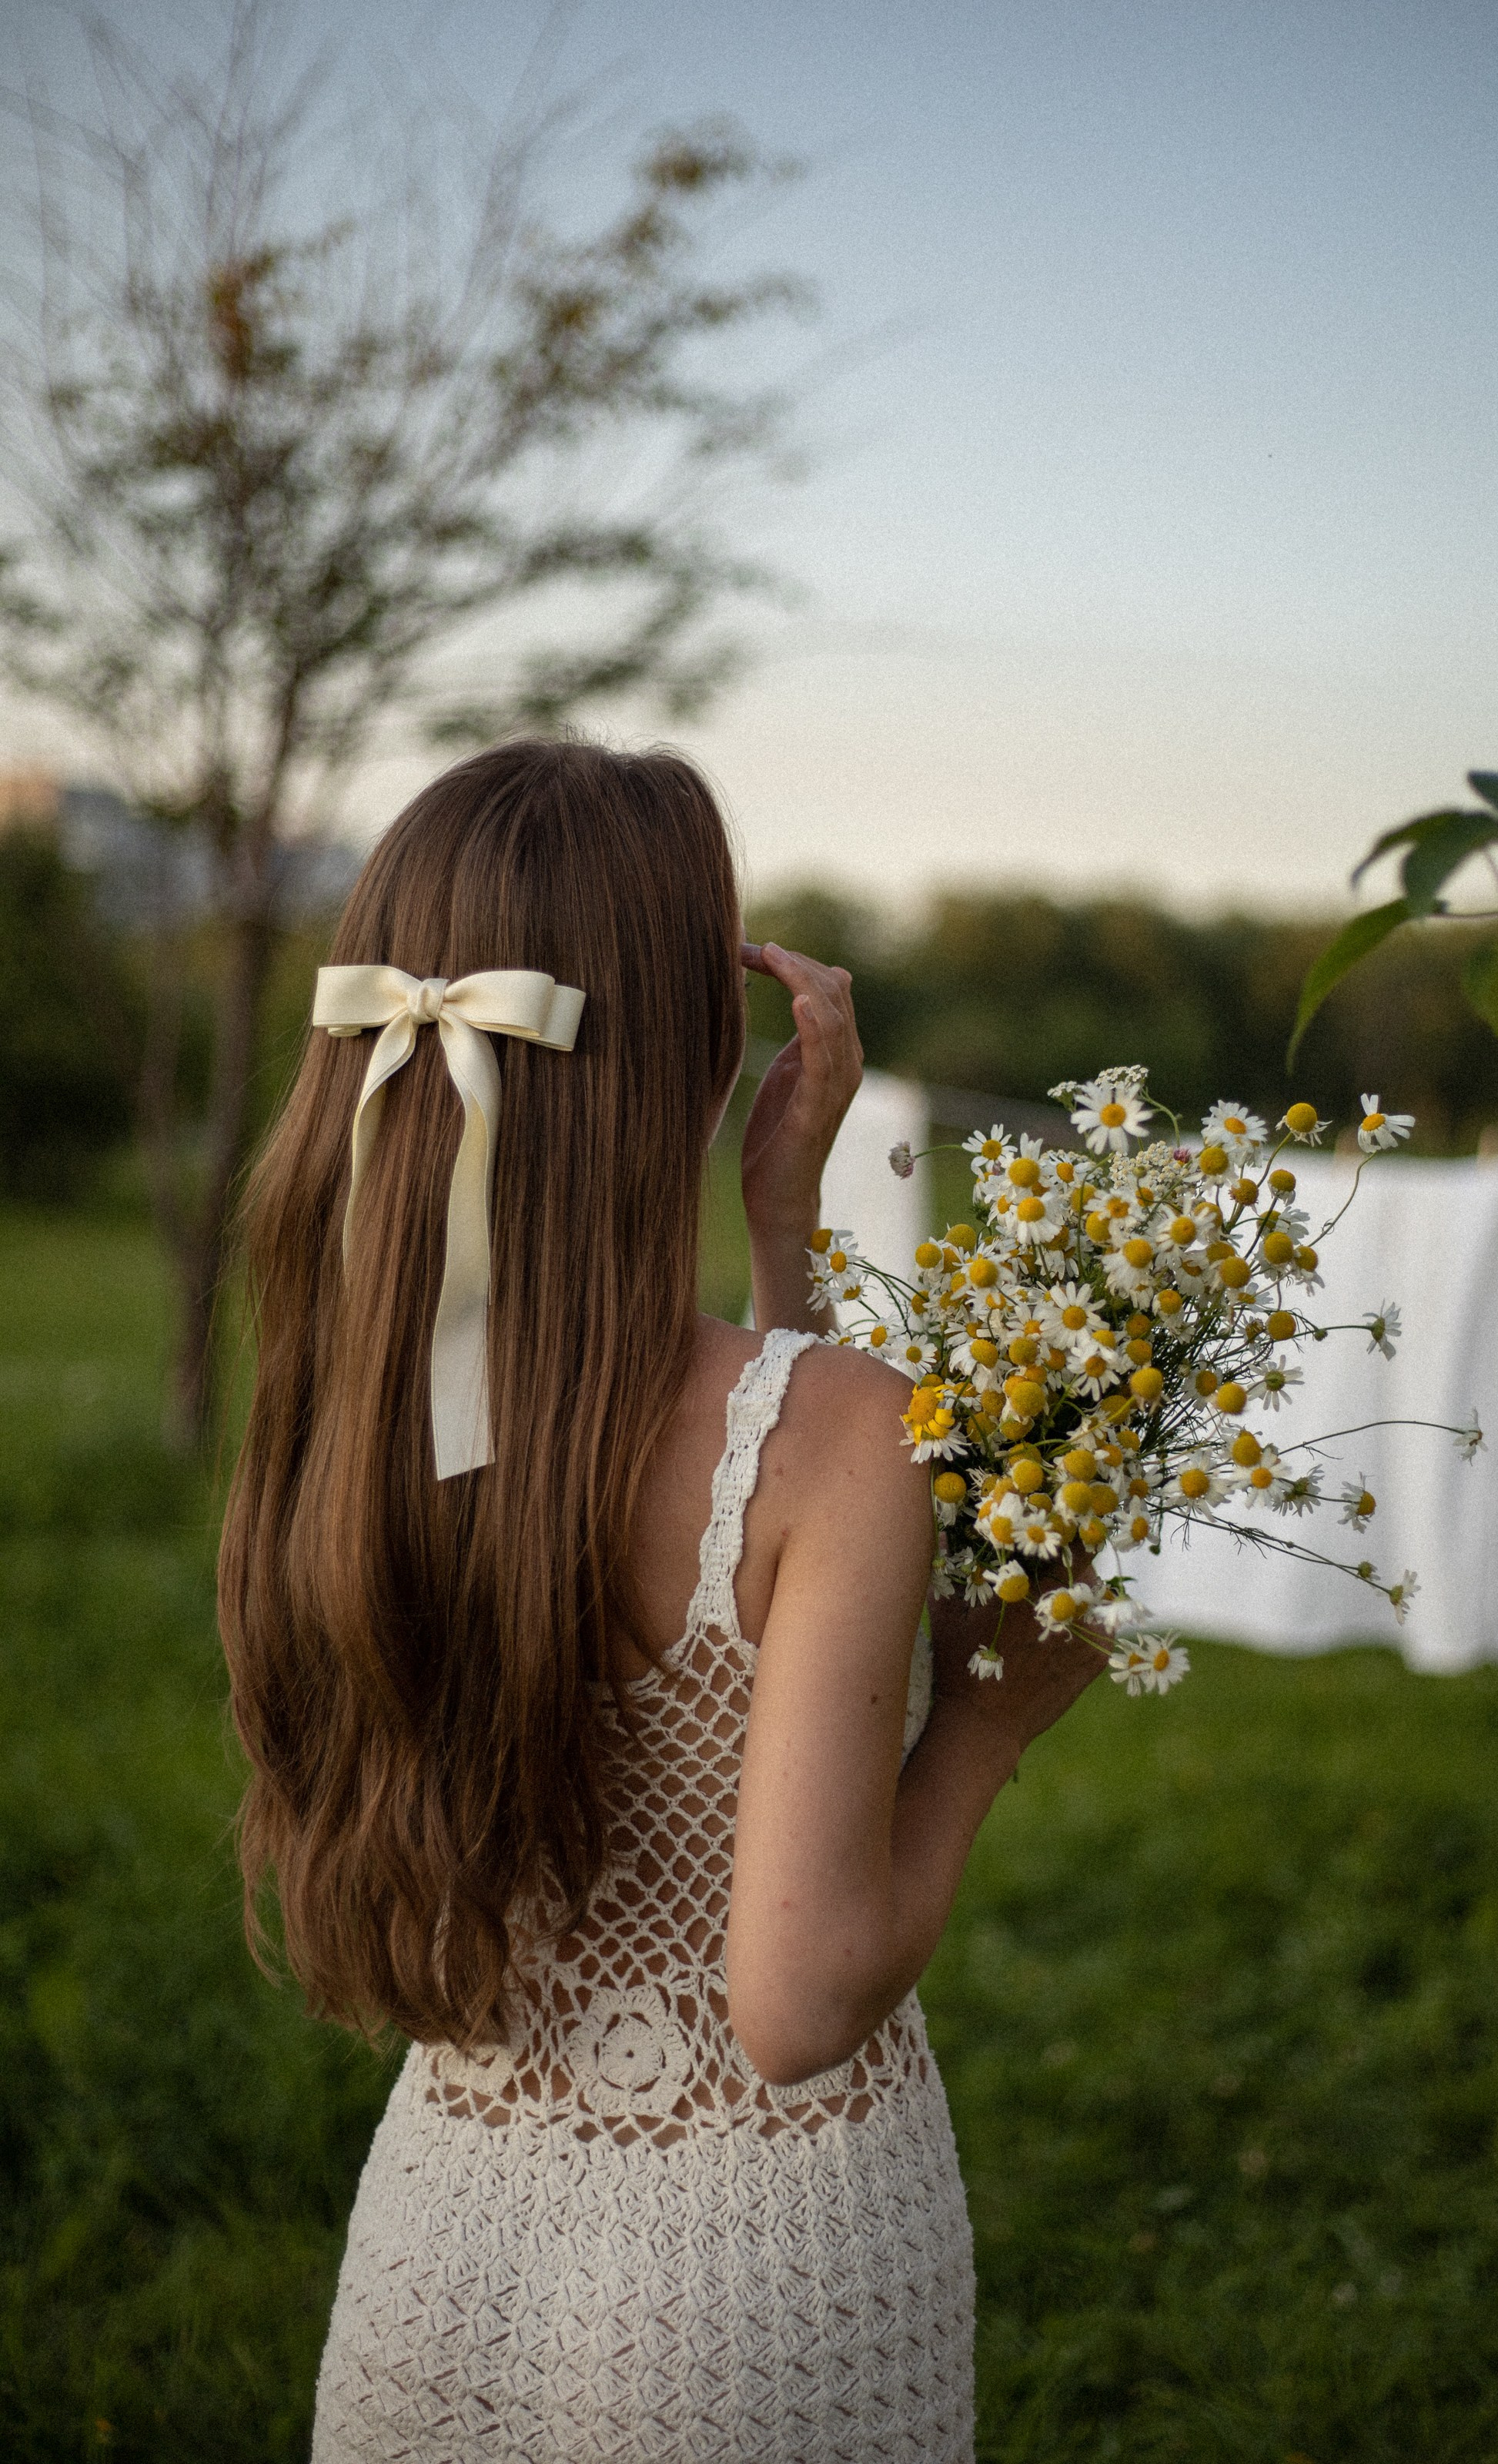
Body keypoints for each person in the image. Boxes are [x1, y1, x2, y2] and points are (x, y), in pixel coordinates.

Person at [218, 738, 1102, 2463]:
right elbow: (792, 2002)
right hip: (763, 2297)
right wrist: (985, 1724)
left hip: (443, 2261)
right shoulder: (843, 1436)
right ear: (695, 1053)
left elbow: (669, 1460)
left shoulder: (349, 1399)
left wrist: (783, 1238)